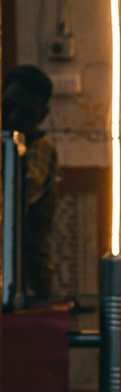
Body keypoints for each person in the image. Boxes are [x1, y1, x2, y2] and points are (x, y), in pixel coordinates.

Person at [2, 64, 59, 302]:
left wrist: (45, 292)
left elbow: (38, 228)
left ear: (42, 116)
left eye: (26, 113)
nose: (13, 118)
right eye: (8, 107)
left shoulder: (40, 153)